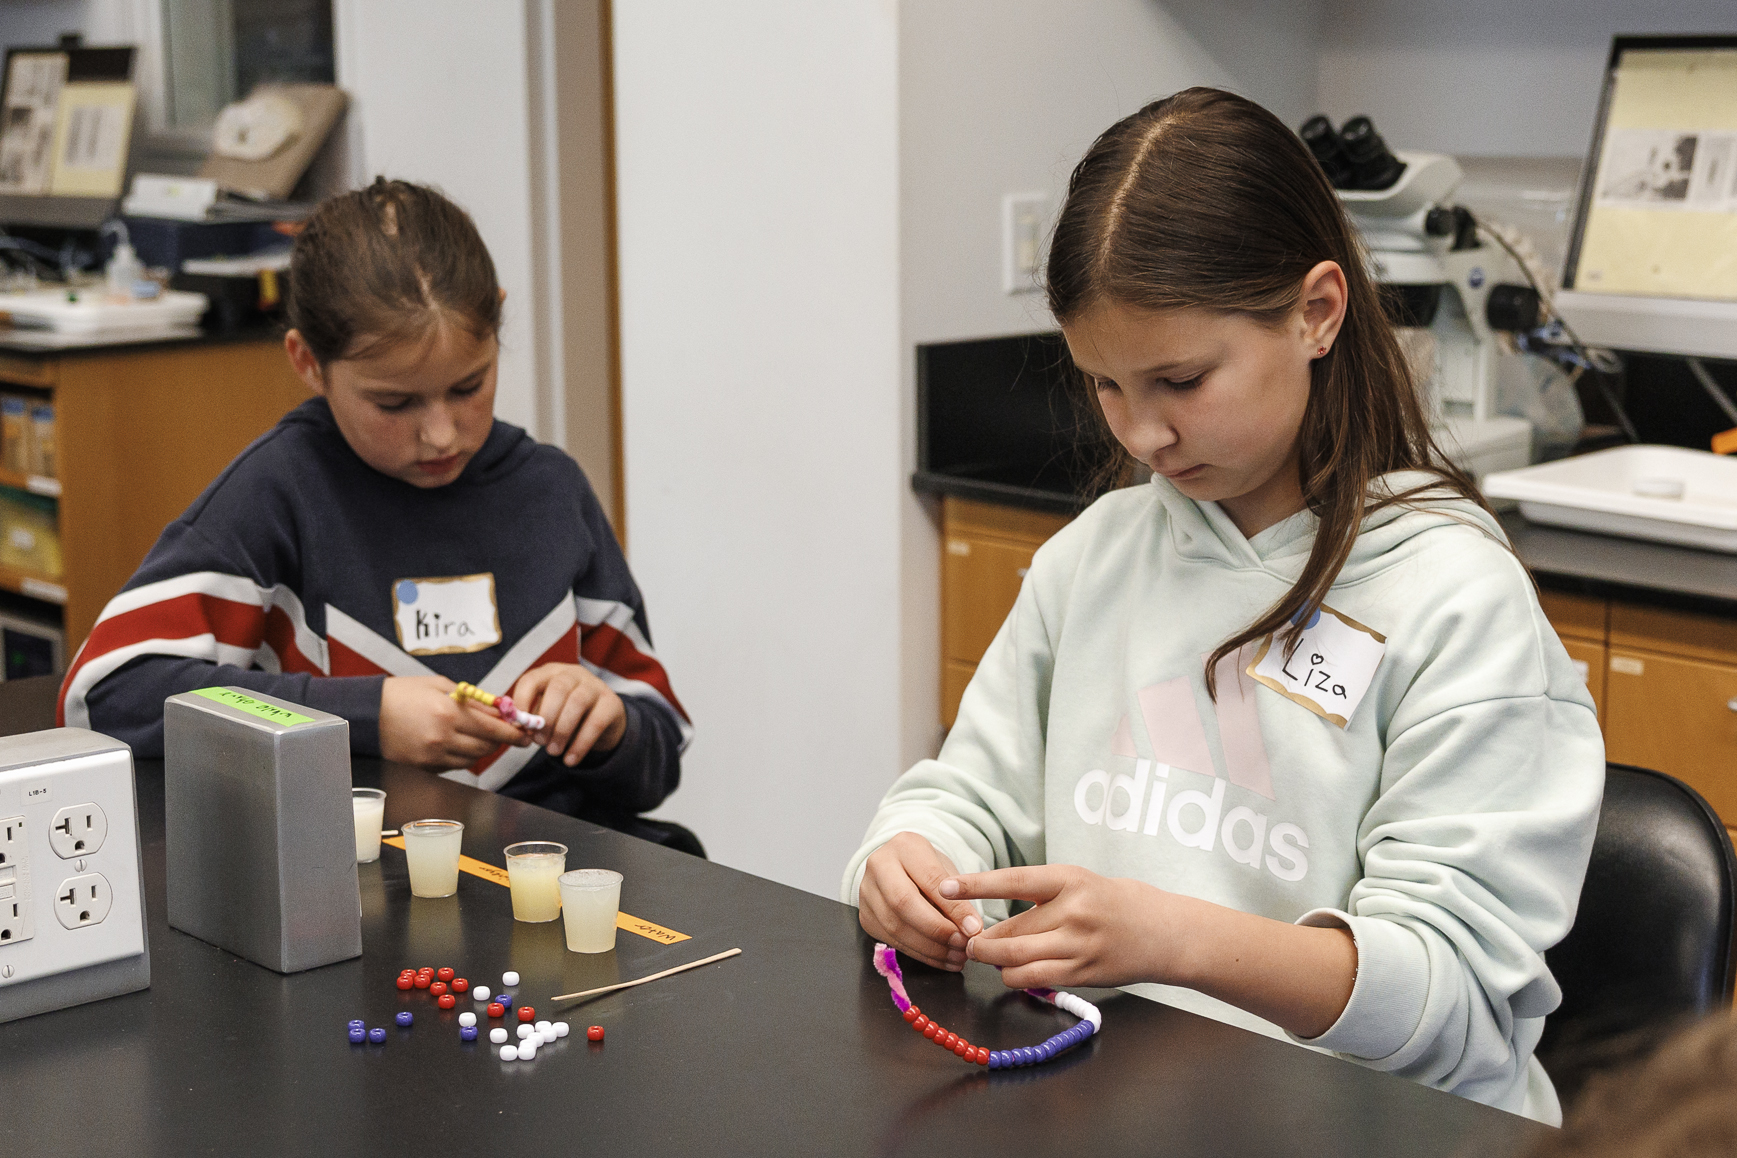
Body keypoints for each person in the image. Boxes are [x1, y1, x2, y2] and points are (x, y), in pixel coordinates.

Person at [842, 88, 1602, 1122]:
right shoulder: (1093, 559)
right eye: (1105, 385)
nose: (1142, 434)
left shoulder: (1453, 601)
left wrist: (1170, 939)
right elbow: (972, 793)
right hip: (1123, 1102)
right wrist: (908, 861)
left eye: (1182, 380)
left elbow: (1451, 1002)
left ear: (1316, 313)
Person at [58, 178, 694, 847]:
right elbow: (107, 694)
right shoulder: (276, 496)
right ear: (308, 362)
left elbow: (658, 752)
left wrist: (611, 727)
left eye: (468, 386)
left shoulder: (551, 493)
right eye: (395, 403)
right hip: (352, 877)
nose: (441, 434)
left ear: (498, 323)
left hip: (546, 869)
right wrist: (366, 717)